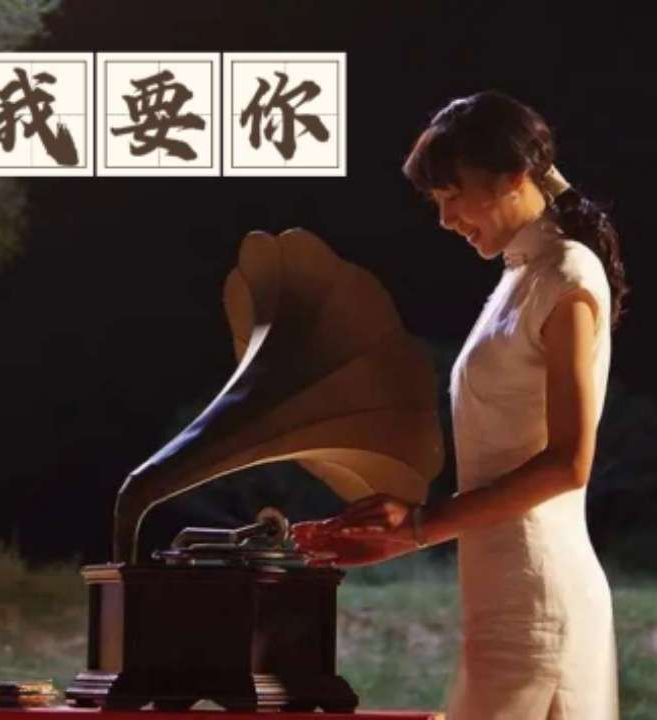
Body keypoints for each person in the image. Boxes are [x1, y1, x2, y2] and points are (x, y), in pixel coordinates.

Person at [291, 89, 628, 719]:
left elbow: (569, 464)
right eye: (436, 201)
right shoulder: (521, 275)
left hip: (538, 598)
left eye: (453, 195)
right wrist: (405, 531)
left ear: (515, 176)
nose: (445, 219)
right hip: (506, 597)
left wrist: (420, 527)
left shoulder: (565, 275)